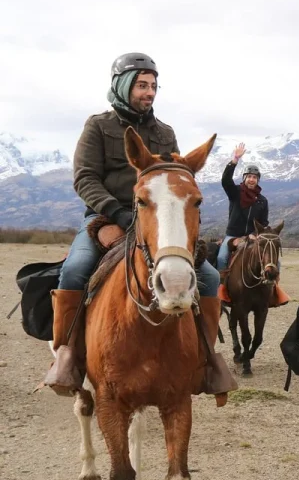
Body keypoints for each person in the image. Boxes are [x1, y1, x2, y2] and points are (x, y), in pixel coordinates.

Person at [43, 52, 230, 397]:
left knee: (210, 277)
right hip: (105, 220)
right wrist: (117, 212)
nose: (149, 92)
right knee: (75, 269)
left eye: (154, 86)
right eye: (142, 85)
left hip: (156, 223)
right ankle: (66, 355)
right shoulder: (98, 126)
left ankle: (206, 359)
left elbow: (177, 179)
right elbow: (85, 178)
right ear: (123, 86)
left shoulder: (165, 133)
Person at [216, 144, 289, 306]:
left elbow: (263, 222)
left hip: (253, 236)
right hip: (233, 234)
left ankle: (274, 289)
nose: (251, 179)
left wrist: (256, 235)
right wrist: (234, 159)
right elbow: (225, 180)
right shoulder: (235, 193)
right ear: (244, 178)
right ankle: (222, 287)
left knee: (276, 262)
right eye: (249, 176)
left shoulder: (262, 201)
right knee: (221, 257)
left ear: (257, 180)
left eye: (254, 177)